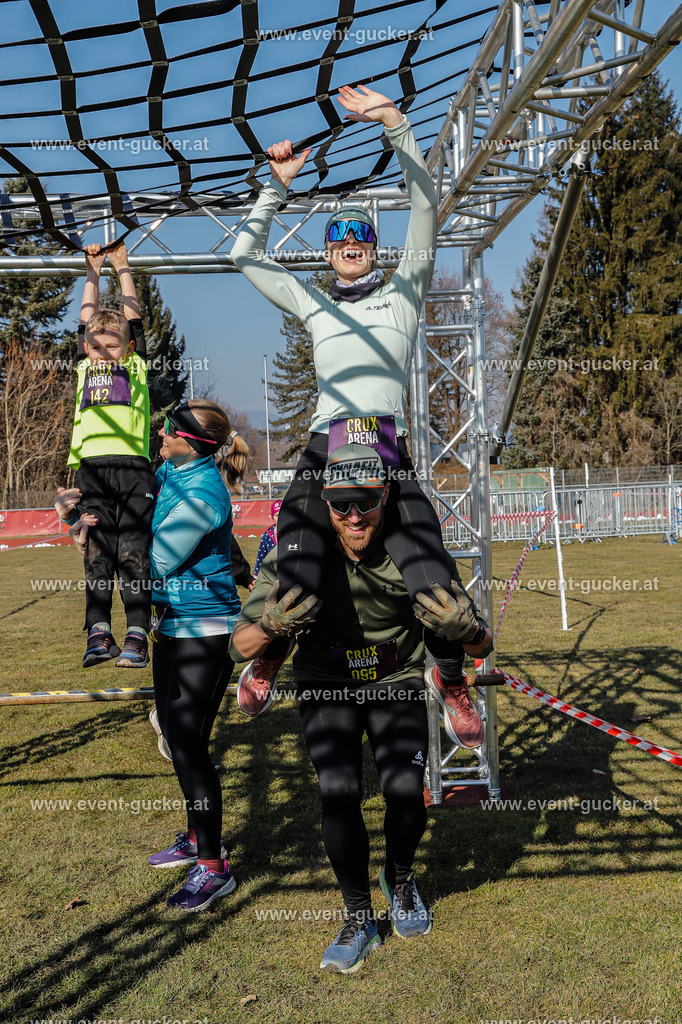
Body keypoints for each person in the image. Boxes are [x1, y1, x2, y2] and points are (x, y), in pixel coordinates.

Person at [232, 84, 486, 745]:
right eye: (338, 235)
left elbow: (428, 206)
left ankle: (451, 674)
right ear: (327, 252)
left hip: (384, 444)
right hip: (325, 444)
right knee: (298, 542)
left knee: (423, 552)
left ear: (375, 247)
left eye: (362, 234)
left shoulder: (403, 296)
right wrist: (276, 185)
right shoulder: (315, 305)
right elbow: (243, 256)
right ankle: (271, 648)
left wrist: (395, 124)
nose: (350, 239)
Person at [229, 443, 493, 973]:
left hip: (393, 678)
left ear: (386, 495)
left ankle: (398, 878)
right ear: (324, 501)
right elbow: (239, 645)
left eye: (365, 504)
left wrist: (468, 633)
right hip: (327, 681)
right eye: (341, 504)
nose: (354, 517)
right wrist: (273, 630)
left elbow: (482, 644)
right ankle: (356, 915)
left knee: (403, 791)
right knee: (339, 791)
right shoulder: (299, 552)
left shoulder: (413, 549)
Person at [68, 399, 249, 912]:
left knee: (189, 743)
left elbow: (160, 557)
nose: (160, 433)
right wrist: (82, 519)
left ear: (191, 442)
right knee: (173, 735)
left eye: (169, 429)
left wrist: (109, 533)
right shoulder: (170, 471)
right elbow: (123, 520)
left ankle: (213, 868)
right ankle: (196, 835)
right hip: (172, 629)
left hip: (206, 632)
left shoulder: (205, 492)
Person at [67, 240, 155, 669]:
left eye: (113, 345)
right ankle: (99, 633)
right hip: (92, 475)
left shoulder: (135, 369)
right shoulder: (84, 368)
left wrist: (121, 268)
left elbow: (133, 319)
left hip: (135, 472)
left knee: (134, 554)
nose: (104, 351)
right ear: (87, 349)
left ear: (128, 348)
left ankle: (138, 635)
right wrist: (92, 271)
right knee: (99, 554)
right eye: (97, 345)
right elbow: (86, 319)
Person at [252, 499, 281, 580]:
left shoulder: (291, 533)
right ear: (273, 517)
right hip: (272, 573)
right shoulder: (267, 535)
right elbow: (261, 555)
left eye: (282, 514)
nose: (280, 517)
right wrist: (256, 575)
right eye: (277, 515)